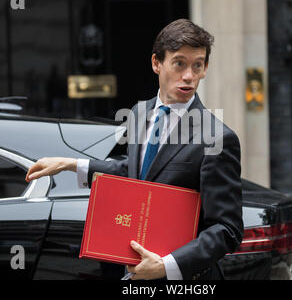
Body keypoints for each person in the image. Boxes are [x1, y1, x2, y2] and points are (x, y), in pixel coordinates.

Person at [25, 19, 243, 280]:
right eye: (179, 63)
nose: (189, 75)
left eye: (197, 65)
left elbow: (227, 229)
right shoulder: (140, 113)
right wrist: (72, 164)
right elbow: (137, 172)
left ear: (205, 68)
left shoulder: (218, 137)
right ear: (156, 63)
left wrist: (166, 266)